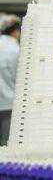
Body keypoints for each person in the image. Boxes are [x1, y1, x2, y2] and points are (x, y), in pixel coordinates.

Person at [0, 15, 21, 146]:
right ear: (15, 31)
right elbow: (20, 78)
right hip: (9, 104)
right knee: (6, 145)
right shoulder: (16, 50)